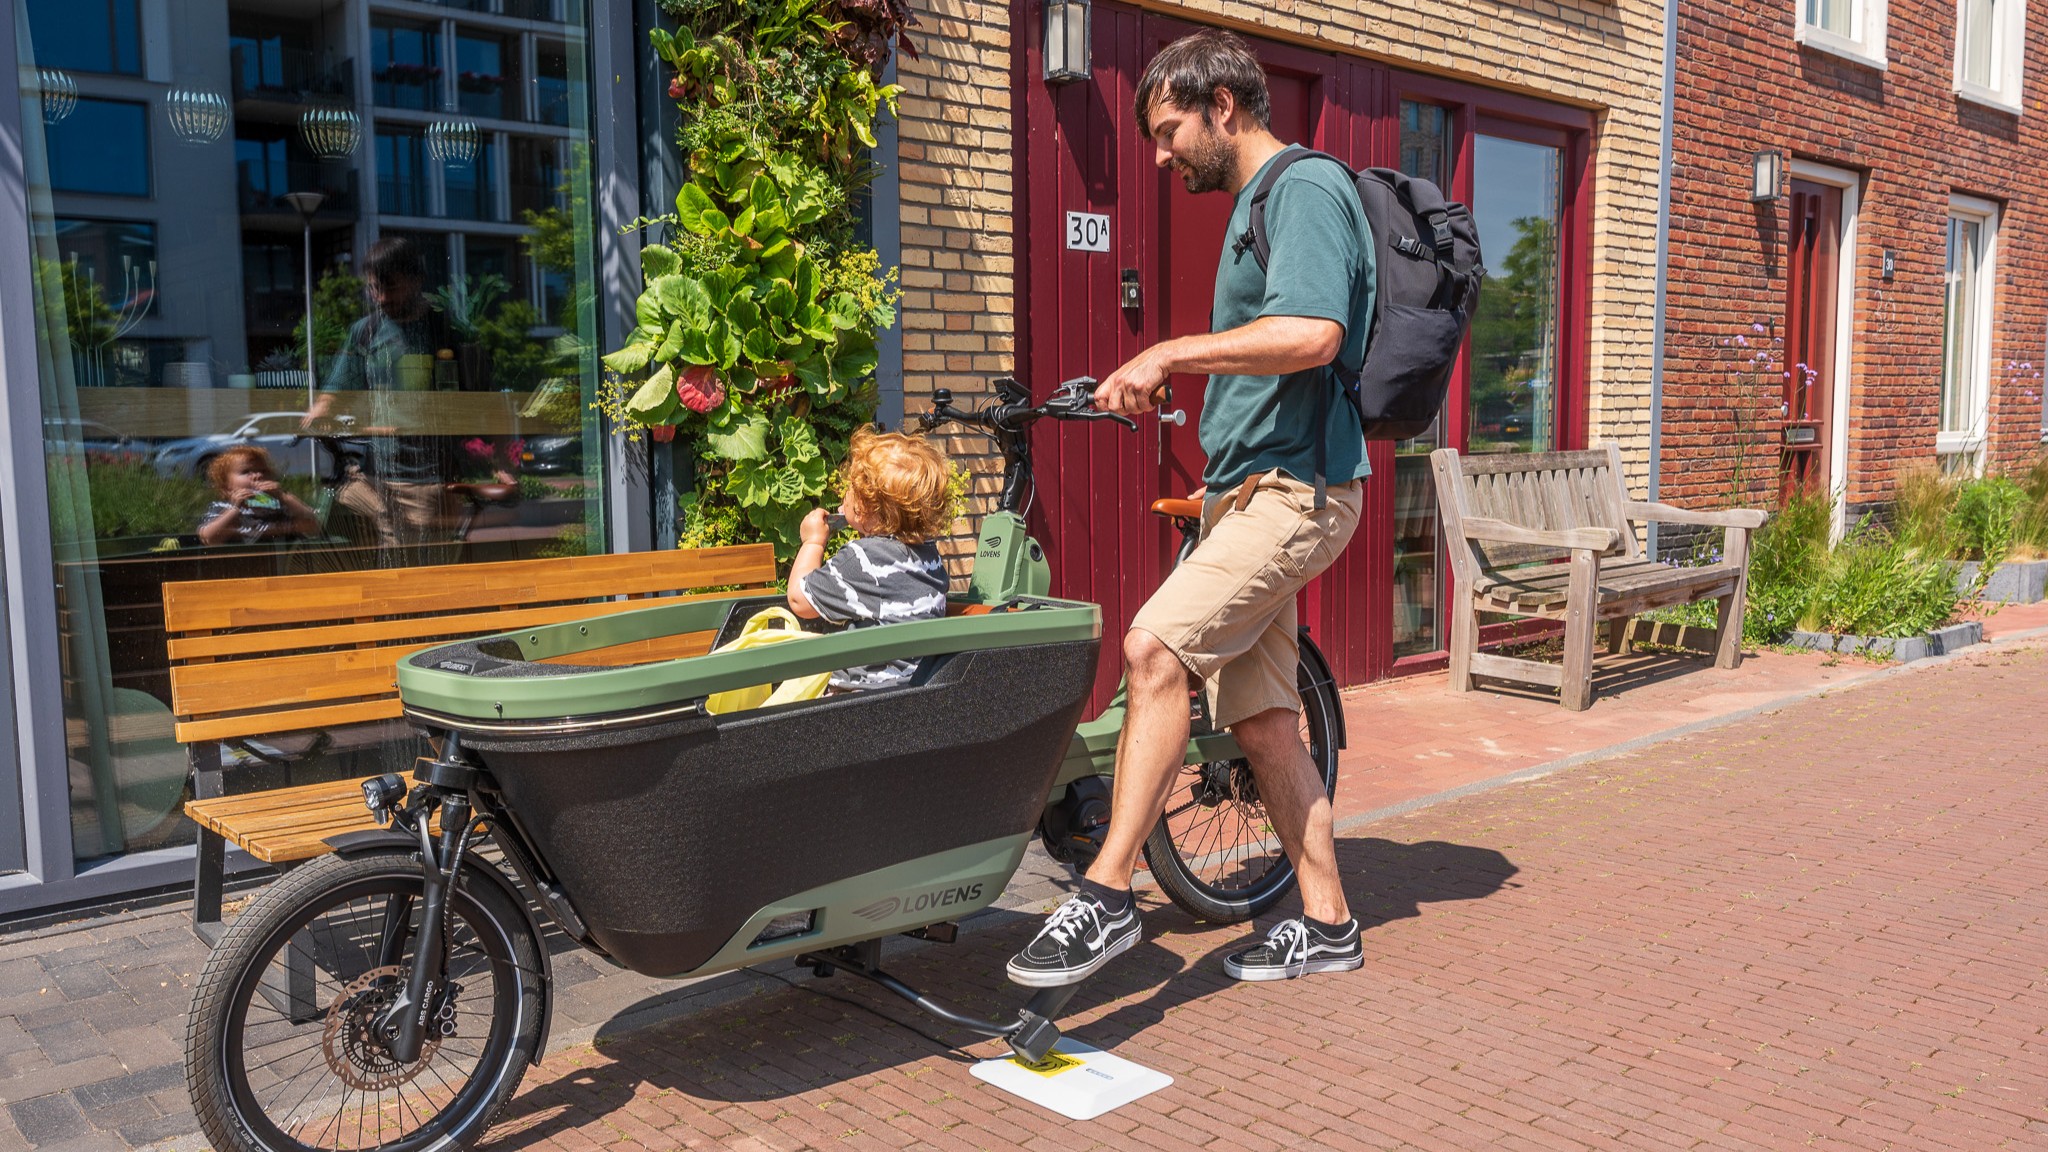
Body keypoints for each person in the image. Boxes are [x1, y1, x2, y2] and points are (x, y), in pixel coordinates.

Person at [1007, 29, 1374, 987]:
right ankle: (1328, 923)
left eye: (1170, 133)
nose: (1162, 158)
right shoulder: (1260, 202)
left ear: (1224, 104)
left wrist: (1170, 352)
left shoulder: (1304, 187)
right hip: (1247, 495)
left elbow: (1314, 332)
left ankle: (1109, 893)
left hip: (1295, 494)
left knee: (1153, 648)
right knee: (1261, 723)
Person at [305, 237, 513, 564]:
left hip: (430, 476)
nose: (382, 298)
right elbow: (337, 388)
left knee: (419, 572)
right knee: (344, 508)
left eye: (391, 288)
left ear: (416, 280)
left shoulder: (447, 331)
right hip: (379, 472)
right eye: (375, 289)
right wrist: (319, 412)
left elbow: (490, 401)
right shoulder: (366, 331)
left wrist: (502, 463)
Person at [787, 426, 952, 691]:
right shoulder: (929, 556)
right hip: (912, 691)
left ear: (866, 507)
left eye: (852, 488)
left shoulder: (864, 561)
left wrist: (813, 541)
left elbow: (799, 599)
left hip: (861, 701)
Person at [196, 445, 319, 545]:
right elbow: (209, 538)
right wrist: (234, 509)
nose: (258, 475)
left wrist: (284, 497)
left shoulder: (277, 505)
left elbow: (313, 526)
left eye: (263, 471)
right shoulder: (223, 507)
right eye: (246, 471)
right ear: (226, 487)